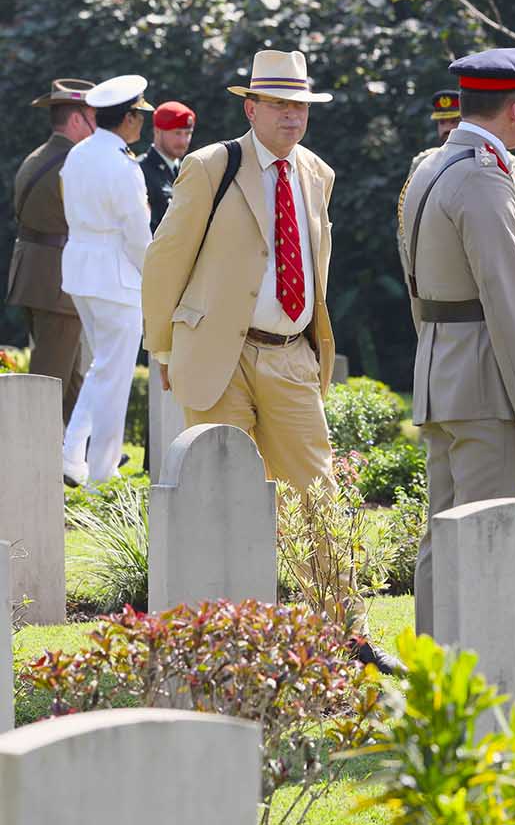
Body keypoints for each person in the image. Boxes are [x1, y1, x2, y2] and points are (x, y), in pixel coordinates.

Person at [141, 49, 395, 671]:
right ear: (250, 108)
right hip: (217, 355)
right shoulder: (211, 165)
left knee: (318, 495)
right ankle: (220, 646)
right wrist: (162, 346)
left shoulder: (316, 173)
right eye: (278, 104)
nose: (291, 116)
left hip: (291, 355)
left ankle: (347, 639)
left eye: (300, 105)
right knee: (222, 493)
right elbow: (165, 259)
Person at [399, 49, 515, 638]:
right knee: (487, 537)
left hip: (442, 366)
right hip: (486, 381)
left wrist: (436, 352)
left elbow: (415, 281)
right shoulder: (482, 176)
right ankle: (478, 670)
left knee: (443, 536)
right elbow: (507, 297)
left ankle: (434, 669)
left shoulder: (432, 164)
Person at [58, 75, 154, 487]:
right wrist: (156, 278)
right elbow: (137, 235)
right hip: (116, 276)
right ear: (128, 118)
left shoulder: (78, 153)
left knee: (103, 369)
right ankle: (101, 471)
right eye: (139, 115)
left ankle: (71, 455)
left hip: (82, 271)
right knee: (113, 375)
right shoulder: (122, 165)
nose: (142, 122)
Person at [7, 79, 95, 423]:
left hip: (36, 276)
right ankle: (30, 445)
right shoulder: (73, 163)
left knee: (68, 376)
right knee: (48, 382)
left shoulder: (38, 156)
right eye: (93, 118)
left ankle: (74, 445)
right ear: (75, 119)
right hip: (60, 282)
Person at [409, 88, 515, 260]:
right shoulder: (423, 163)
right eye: (442, 122)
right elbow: (407, 229)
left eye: (454, 121)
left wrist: (491, 202)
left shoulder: (502, 160)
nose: (447, 128)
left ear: (467, 121)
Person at [139, 101, 196, 232]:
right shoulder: (140, 170)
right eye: (177, 133)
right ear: (157, 131)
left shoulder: (188, 170)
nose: (183, 141)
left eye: (188, 133)